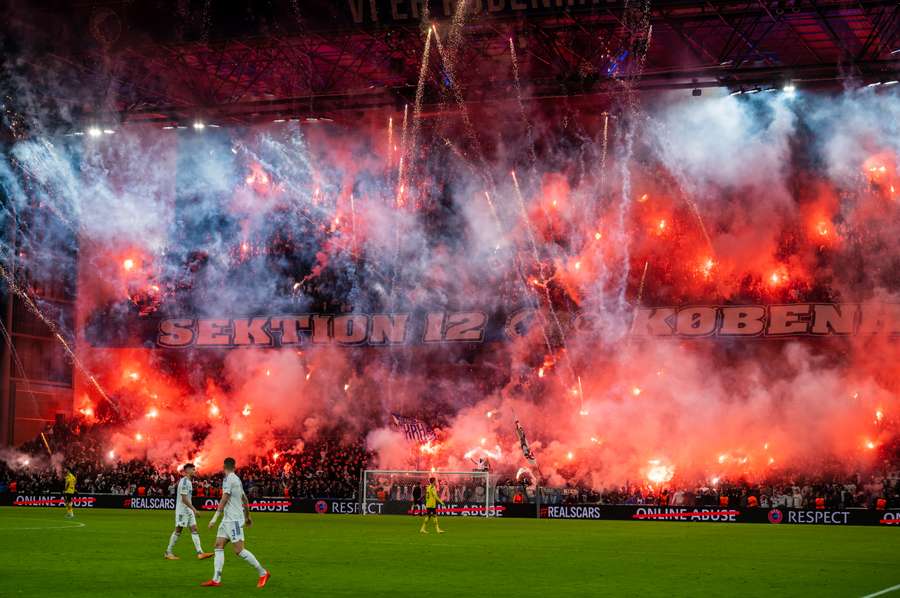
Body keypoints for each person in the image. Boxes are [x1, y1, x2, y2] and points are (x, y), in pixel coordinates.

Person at [202, 457, 270, 588]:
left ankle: (263, 573)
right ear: (234, 466)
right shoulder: (237, 479)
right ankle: (216, 580)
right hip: (228, 519)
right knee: (218, 545)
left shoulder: (228, 480)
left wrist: (214, 518)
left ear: (223, 466)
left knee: (239, 550)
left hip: (233, 520)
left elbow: (224, 498)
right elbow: (244, 498)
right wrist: (248, 516)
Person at [164, 463, 213, 561]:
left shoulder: (189, 482)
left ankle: (200, 553)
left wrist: (191, 510)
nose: (195, 471)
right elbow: (184, 499)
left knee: (194, 529)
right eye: (193, 470)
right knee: (178, 530)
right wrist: (194, 509)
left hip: (188, 510)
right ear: (187, 471)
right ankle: (168, 552)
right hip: (183, 510)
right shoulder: (185, 482)